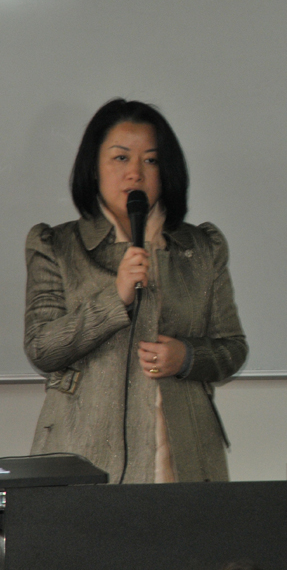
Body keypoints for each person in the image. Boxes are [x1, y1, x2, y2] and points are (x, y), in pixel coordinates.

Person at [24, 99, 248, 484]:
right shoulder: (56, 246)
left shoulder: (202, 248)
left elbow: (232, 347)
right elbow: (41, 348)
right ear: (94, 168)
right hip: (81, 455)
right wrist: (115, 297)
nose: (135, 173)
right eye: (121, 158)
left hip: (180, 459)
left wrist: (187, 357)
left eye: (151, 160)